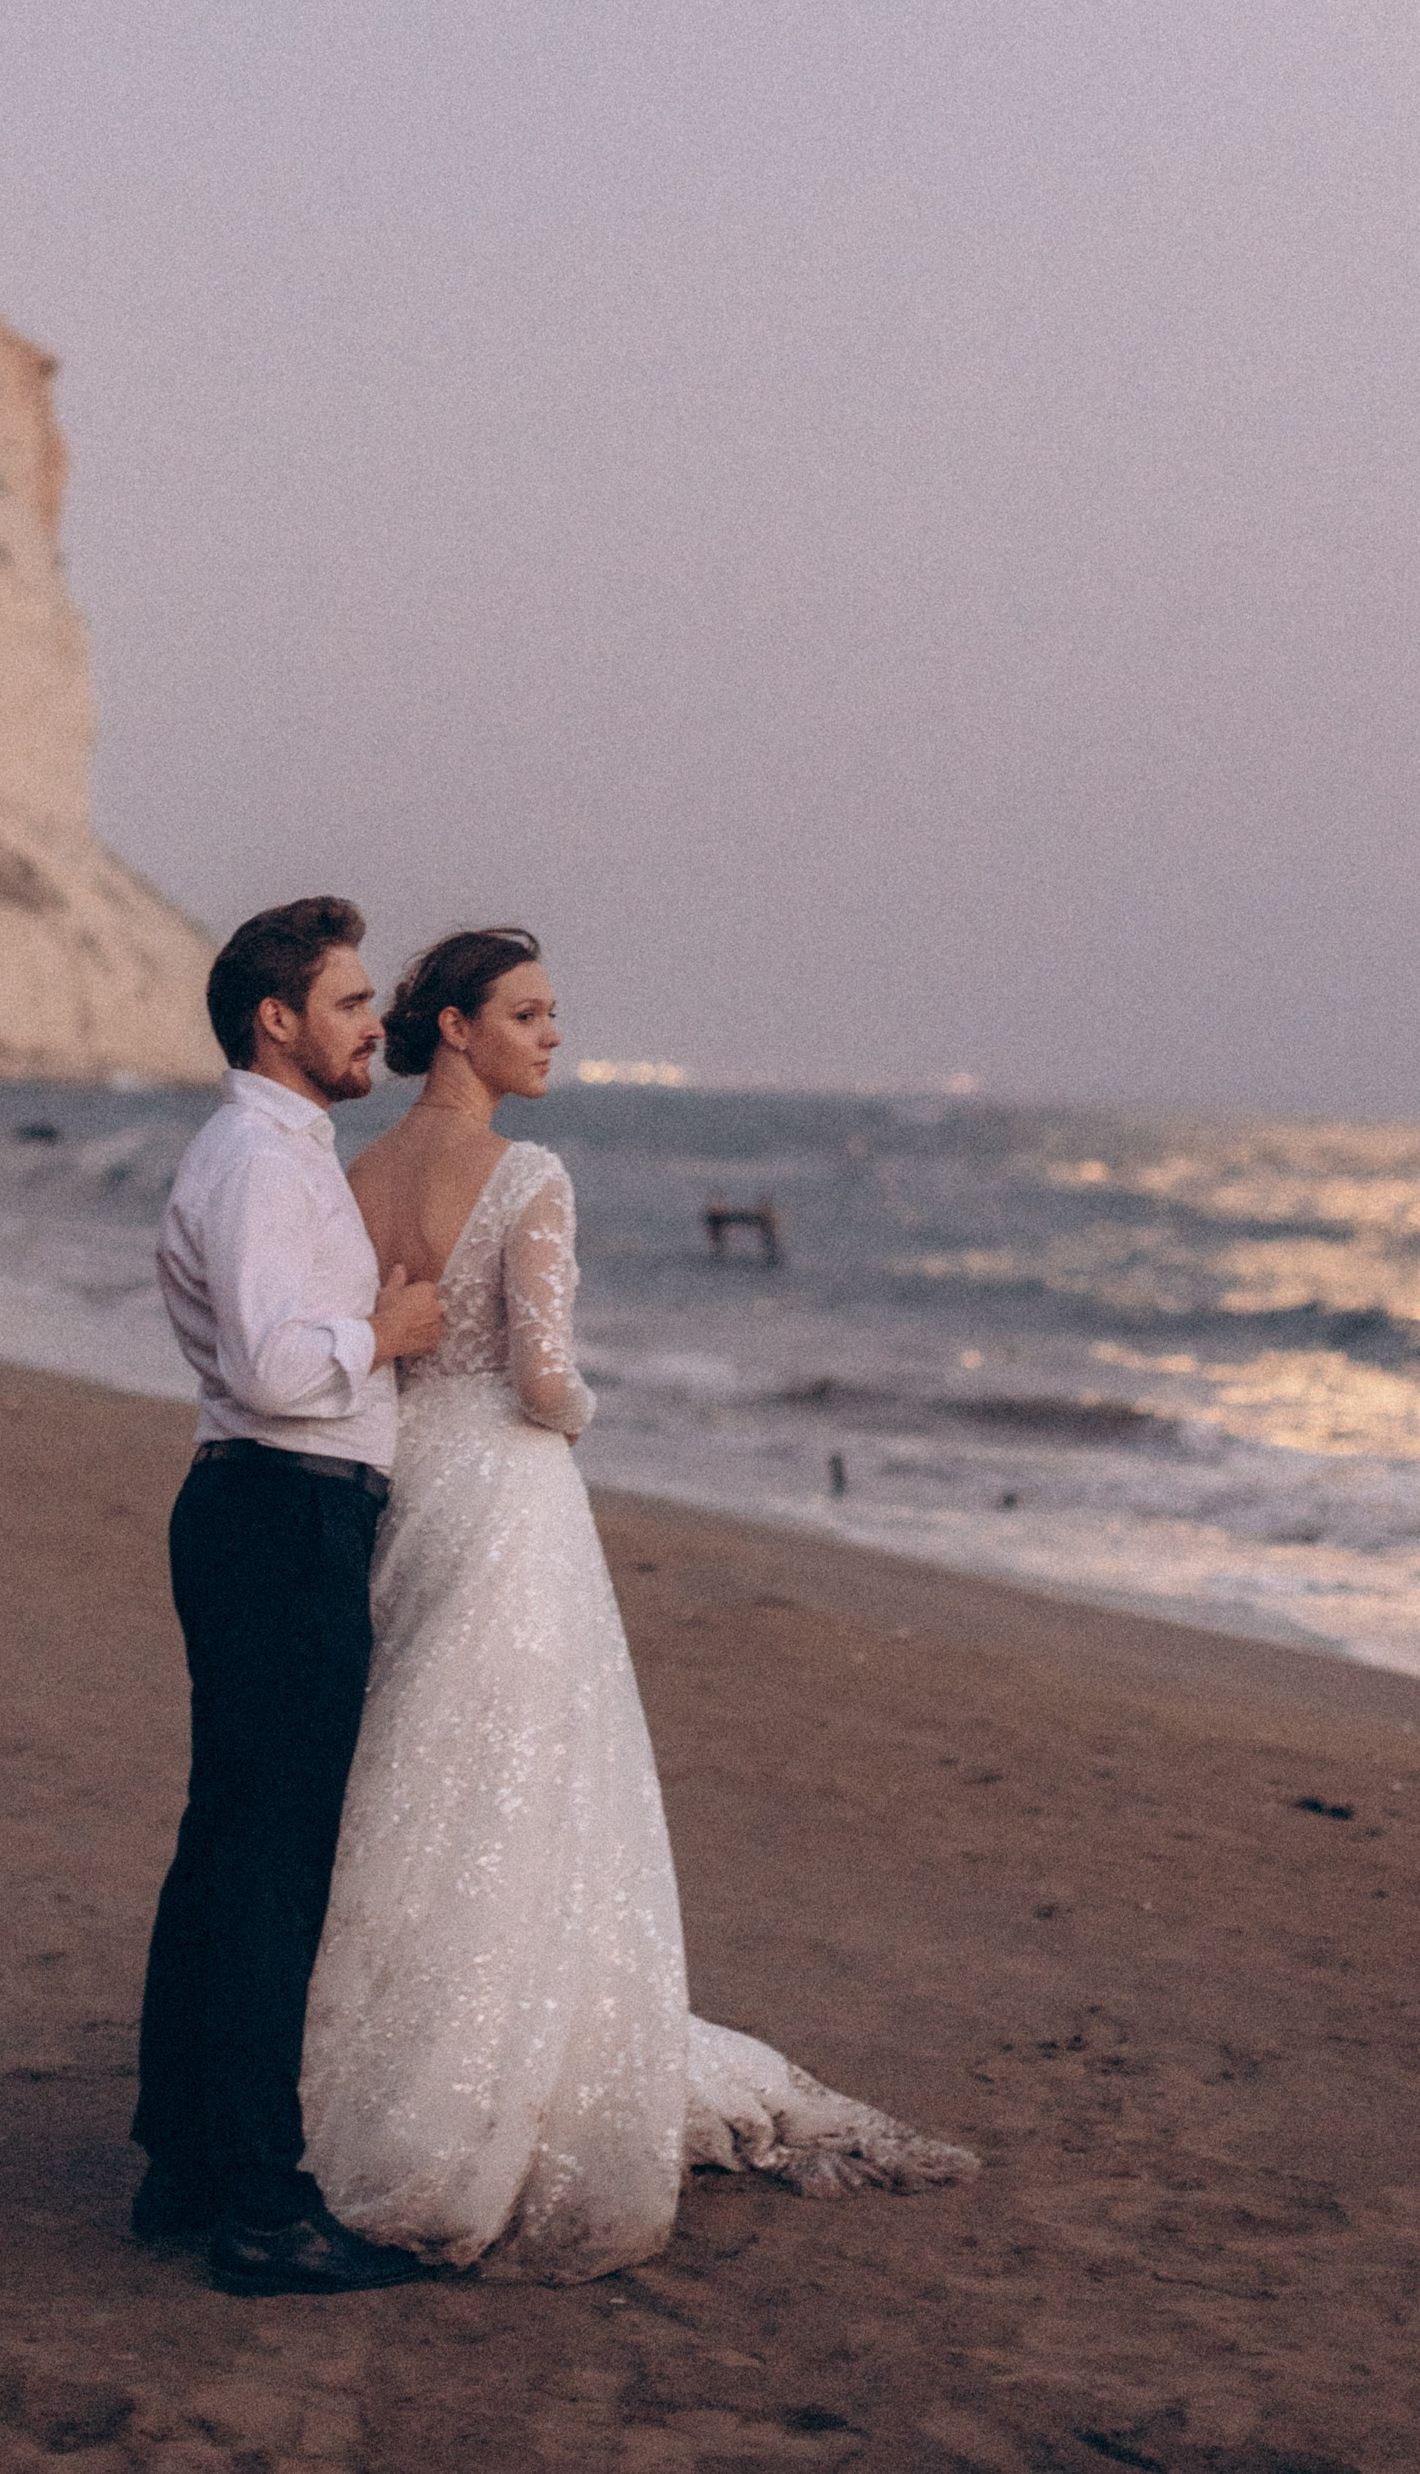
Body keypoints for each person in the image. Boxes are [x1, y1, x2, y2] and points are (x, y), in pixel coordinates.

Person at [299, 927, 976, 2280]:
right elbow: (545, 1379)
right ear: (457, 1030)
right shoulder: (530, 1176)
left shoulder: (356, 1172)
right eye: (529, 1014)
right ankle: (503, 2080)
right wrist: (580, 1416)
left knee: (413, 1781)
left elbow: (374, 1352)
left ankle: (381, 2078)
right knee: (525, 1790)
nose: (552, 1036)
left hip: (401, 1490)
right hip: (506, 1498)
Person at [130, 896, 444, 2297]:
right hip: (281, 1510)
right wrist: (388, 1331)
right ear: (278, 1019)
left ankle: (188, 2163)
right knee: (268, 1867)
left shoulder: (278, 1152)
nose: (375, 1023)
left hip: (262, 1509)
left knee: (227, 1849)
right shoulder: (258, 1162)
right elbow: (270, 1366)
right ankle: (259, 2203)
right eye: (350, 1001)